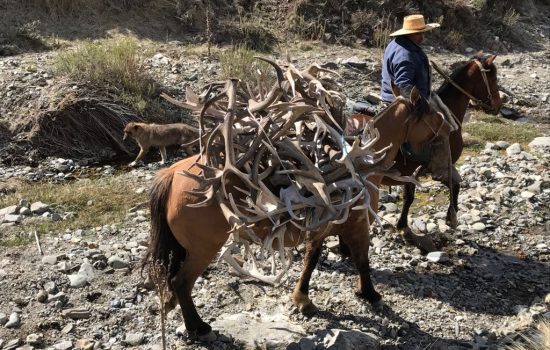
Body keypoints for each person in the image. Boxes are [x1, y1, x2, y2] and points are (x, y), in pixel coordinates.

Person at [380, 14, 452, 183]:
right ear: (408, 34)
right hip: (402, 101)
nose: (422, 37)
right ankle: (438, 169)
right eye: (419, 33)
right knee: (441, 129)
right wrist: (421, 106)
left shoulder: (400, 45)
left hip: (404, 95)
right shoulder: (405, 54)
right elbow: (404, 85)